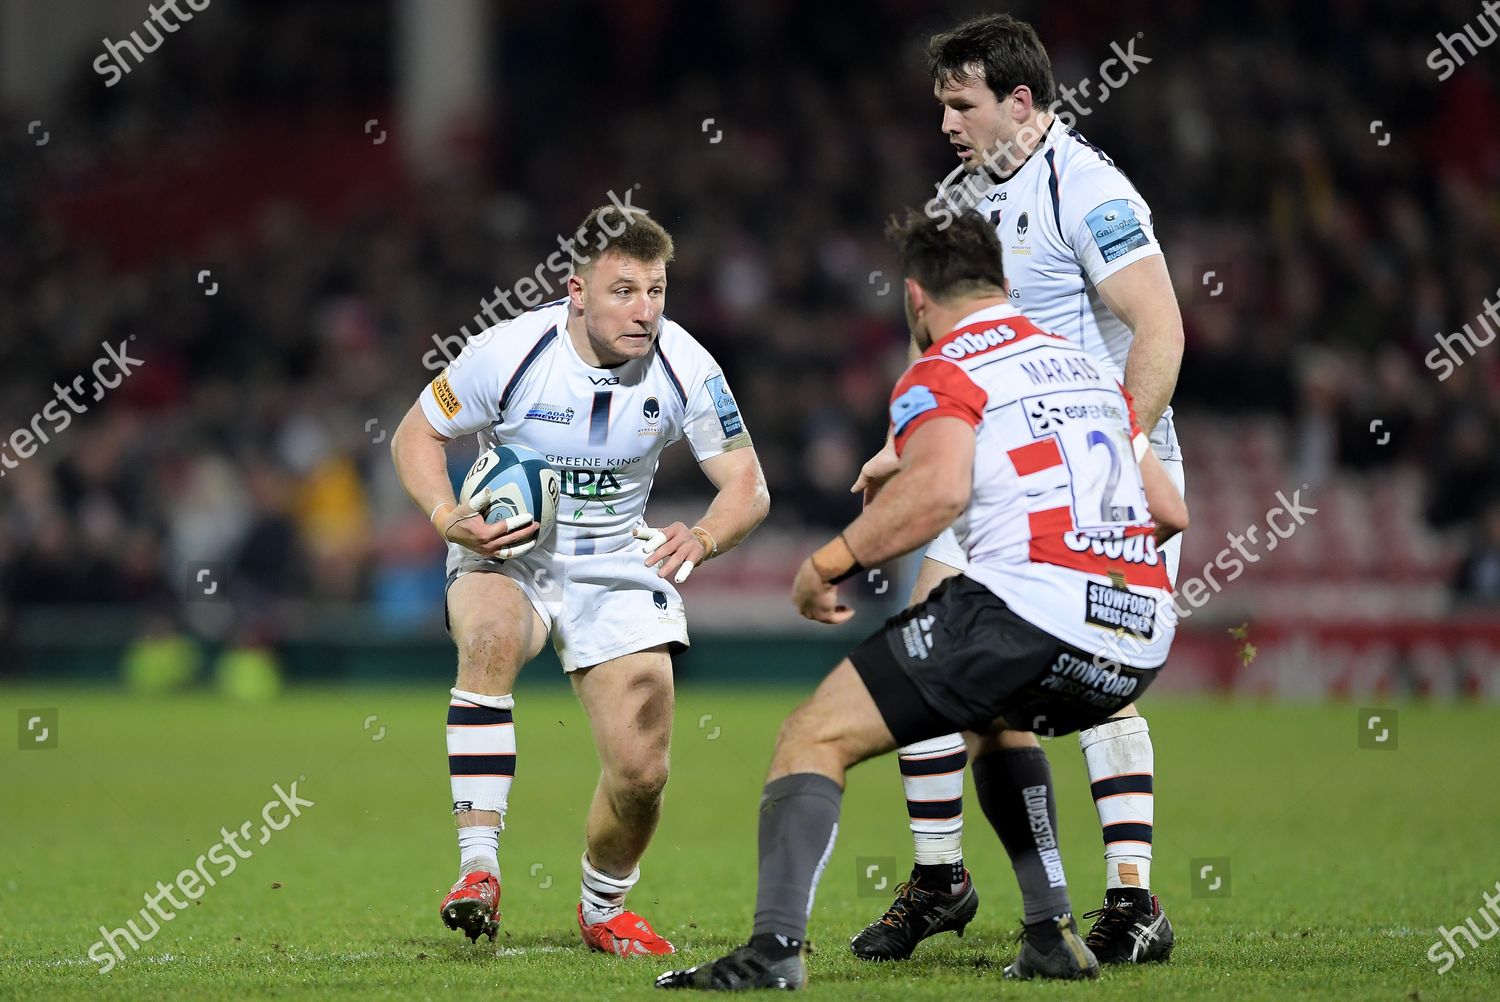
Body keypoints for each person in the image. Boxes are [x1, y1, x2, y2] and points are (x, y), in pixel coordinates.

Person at [655, 208, 1187, 990]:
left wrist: (828, 560)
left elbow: (937, 493)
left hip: (1030, 616)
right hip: (1138, 635)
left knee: (811, 736)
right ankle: (1050, 932)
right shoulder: (1085, 365)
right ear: (1006, 284)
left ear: (915, 300)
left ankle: (771, 955)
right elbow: (1171, 511)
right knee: (995, 719)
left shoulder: (942, 369)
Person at [849, 12, 1187, 965]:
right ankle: (941, 877)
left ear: (1022, 102)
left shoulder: (1089, 189)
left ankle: (1132, 903)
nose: (947, 123)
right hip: (997, 477)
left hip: (1097, 474)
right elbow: (939, 350)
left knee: (1092, 671)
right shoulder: (964, 200)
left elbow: (1159, 330)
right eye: (942, 105)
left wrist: (1117, 461)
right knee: (931, 651)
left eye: (963, 105)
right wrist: (898, 445)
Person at [390, 204, 769, 956]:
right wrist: (445, 514)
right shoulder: (508, 350)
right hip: (508, 549)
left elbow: (749, 487)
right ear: (576, 289)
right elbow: (416, 433)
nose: (645, 310)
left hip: (614, 561)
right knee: (491, 636)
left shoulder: (687, 366)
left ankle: (603, 907)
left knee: (642, 770)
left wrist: (701, 535)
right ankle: (478, 871)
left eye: (656, 291)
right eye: (624, 290)